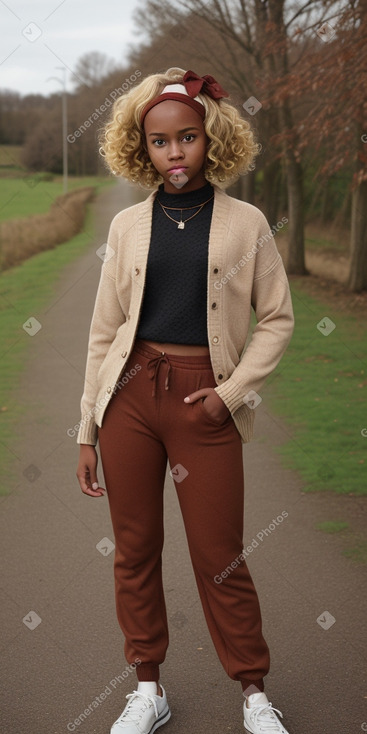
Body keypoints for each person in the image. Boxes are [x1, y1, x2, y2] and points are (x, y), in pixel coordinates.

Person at [76, 66, 295, 734]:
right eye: (161, 141)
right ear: (142, 148)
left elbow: (277, 319)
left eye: (188, 137)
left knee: (218, 553)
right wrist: (87, 426)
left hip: (205, 405)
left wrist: (228, 395)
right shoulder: (125, 229)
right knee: (135, 550)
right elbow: (104, 331)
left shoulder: (246, 222)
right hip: (129, 402)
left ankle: (254, 693)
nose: (174, 152)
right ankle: (147, 688)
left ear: (210, 139)